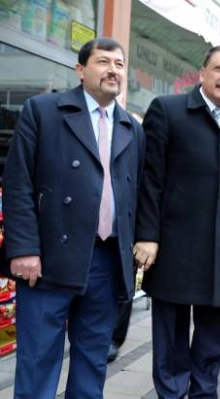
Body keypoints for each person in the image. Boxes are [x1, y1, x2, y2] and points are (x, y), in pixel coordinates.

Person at [3, 37, 146, 398]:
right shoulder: (44, 110)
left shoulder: (132, 127)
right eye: (103, 62)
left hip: (106, 260)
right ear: (80, 70)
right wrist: (23, 249)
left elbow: (138, 194)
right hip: (48, 258)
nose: (112, 70)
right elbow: (18, 183)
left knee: (93, 359)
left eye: (118, 64)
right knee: (38, 359)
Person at [133, 45, 220, 398]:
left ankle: (204, 393)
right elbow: (150, 179)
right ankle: (171, 393)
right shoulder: (168, 110)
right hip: (175, 243)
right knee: (171, 335)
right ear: (202, 72)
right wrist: (147, 235)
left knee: (211, 336)